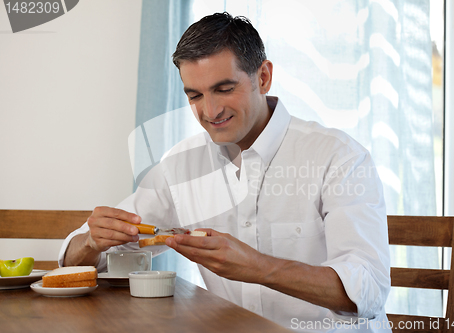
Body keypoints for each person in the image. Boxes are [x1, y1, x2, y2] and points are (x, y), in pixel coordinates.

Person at [59, 12, 391, 333]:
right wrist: (91, 242)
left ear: (262, 77)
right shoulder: (181, 166)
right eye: (195, 95)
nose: (210, 111)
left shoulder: (339, 157)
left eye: (224, 89)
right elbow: (84, 263)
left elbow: (369, 288)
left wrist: (258, 267)